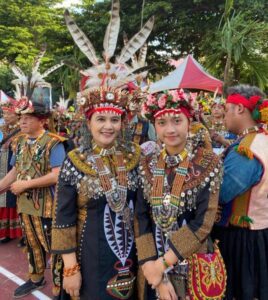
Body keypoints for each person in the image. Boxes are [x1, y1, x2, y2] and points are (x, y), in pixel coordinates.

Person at [51, 1, 154, 299]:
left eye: (114, 119)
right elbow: (63, 217)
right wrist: (70, 268)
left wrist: (147, 260)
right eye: (101, 119)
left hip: (131, 259)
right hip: (88, 259)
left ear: (123, 121)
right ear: (89, 121)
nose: (108, 126)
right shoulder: (75, 160)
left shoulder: (136, 158)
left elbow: (142, 214)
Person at [135, 89, 224, 300]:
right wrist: (151, 266)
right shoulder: (147, 163)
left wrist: (162, 264)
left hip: (191, 261)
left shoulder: (207, 162)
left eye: (177, 121)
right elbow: (140, 217)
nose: (170, 129)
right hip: (152, 262)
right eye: (162, 123)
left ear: (189, 122)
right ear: (154, 126)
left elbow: (203, 223)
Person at [0, 97, 66, 298]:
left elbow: (58, 175)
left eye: (28, 118)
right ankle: (36, 279)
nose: (22, 122)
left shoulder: (54, 142)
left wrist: (25, 184)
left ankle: (59, 287)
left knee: (54, 248)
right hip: (25, 205)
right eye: (21, 118)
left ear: (42, 120)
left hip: (48, 206)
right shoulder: (18, 142)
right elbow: (15, 171)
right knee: (31, 244)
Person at [213, 85, 268, 300]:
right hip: (259, 232)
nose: (224, 115)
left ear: (239, 109)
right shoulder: (261, 140)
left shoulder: (248, 149)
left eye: (227, 109)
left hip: (243, 240)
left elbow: (222, 192)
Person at [0, 98, 22, 243]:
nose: (5, 117)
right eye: (4, 114)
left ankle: (22, 234)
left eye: (8, 114)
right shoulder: (3, 130)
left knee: (16, 200)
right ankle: (6, 232)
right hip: (3, 168)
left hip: (16, 169)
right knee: (3, 201)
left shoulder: (21, 131)